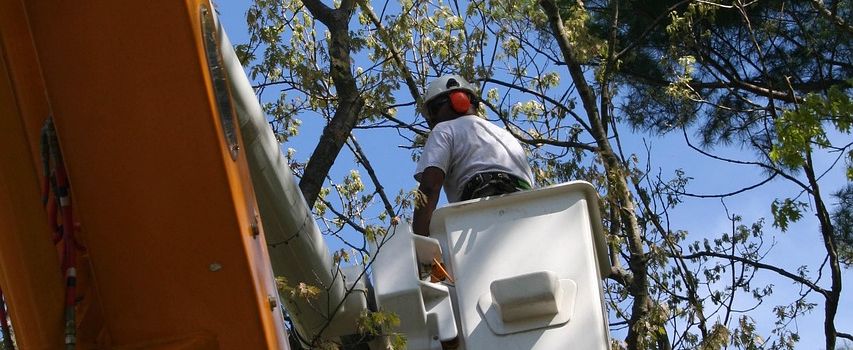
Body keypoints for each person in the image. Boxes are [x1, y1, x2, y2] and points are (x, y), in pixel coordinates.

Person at [412, 74, 534, 237]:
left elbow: (429, 187)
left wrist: (419, 240)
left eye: (434, 110)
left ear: (458, 99)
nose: (433, 120)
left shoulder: (444, 130)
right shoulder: (505, 135)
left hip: (479, 221)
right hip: (528, 216)